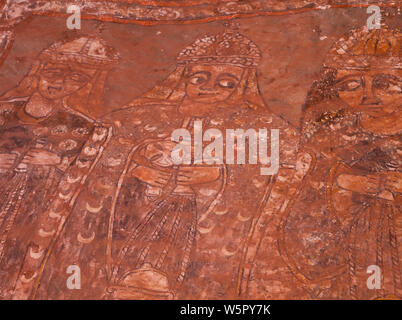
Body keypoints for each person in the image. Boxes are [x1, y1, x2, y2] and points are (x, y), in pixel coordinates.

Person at [29, 26, 310, 299]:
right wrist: (136, 164)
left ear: (241, 87)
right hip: (131, 221)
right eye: (198, 78)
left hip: (193, 226)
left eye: (226, 83)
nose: (208, 88)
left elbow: (277, 179)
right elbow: (94, 162)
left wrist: (218, 174)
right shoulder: (137, 118)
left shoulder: (260, 127)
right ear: (182, 78)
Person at [283, 25, 402, 299]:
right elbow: (299, 187)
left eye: (385, 84)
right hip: (350, 248)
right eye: (350, 85)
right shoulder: (329, 135)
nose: (368, 96)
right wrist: (342, 180)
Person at [0, 35, 119, 299]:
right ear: (40, 70)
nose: (59, 82)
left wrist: (57, 162)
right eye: (54, 73)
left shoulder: (84, 128)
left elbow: (96, 184)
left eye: (75, 79)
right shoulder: (4, 111)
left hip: (32, 214)